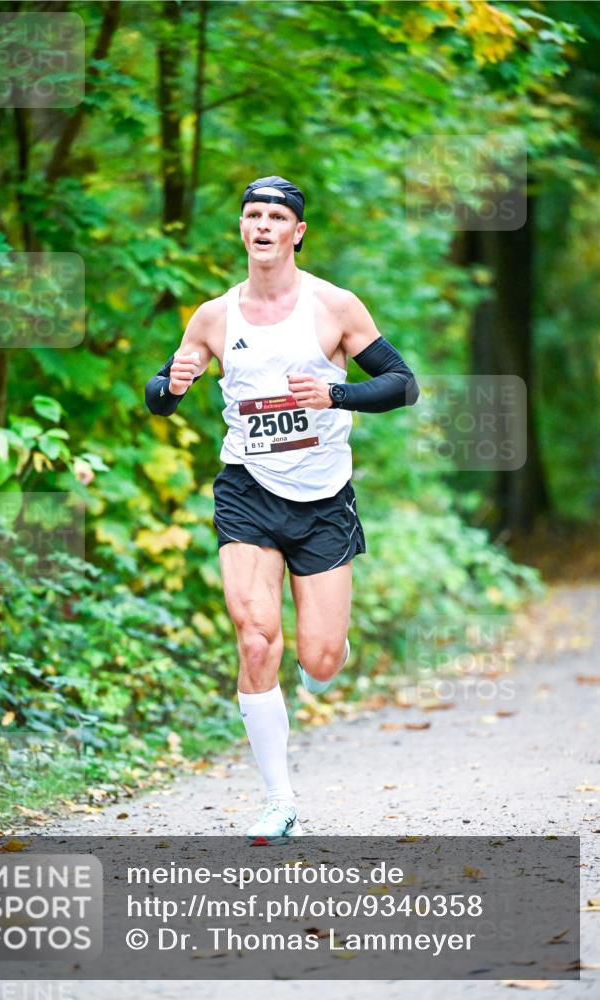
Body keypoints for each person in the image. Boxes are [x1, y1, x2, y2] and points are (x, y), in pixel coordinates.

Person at [145, 175, 419, 839]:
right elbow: (161, 395)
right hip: (247, 489)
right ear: (241, 229)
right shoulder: (215, 317)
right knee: (255, 635)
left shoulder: (333, 306)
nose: (262, 225)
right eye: (252, 215)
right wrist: (169, 385)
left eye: (275, 216)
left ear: (297, 232)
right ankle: (279, 800)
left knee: (319, 660)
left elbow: (402, 384)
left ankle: (328, 650)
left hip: (323, 499)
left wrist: (336, 395)